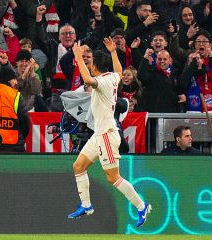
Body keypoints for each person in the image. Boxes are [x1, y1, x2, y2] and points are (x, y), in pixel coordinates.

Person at [67, 37, 151, 227]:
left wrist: (79, 57)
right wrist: (114, 52)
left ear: (95, 65)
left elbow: (87, 80)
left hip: (106, 135)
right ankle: (86, 205)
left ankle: (141, 206)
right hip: (99, 135)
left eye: (90, 62)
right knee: (78, 167)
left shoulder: (102, 82)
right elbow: (120, 72)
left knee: (113, 178)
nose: (89, 65)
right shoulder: (112, 77)